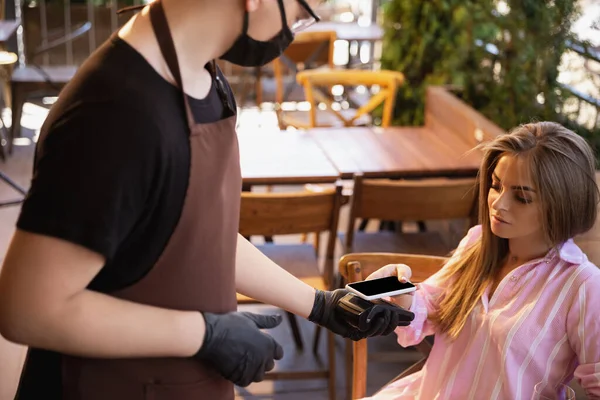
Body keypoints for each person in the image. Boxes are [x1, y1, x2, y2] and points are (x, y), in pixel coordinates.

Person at [0, 1, 414, 399]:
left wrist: (320, 305)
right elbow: (29, 310)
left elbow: (200, 234)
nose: (290, 33)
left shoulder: (204, 77)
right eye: (301, 15)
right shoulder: (113, 114)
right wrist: (204, 334)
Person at [363, 121, 600, 399]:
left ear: (561, 205)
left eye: (521, 197)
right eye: (496, 186)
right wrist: (400, 293)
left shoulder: (583, 287)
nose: (498, 204)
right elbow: (428, 302)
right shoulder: (477, 243)